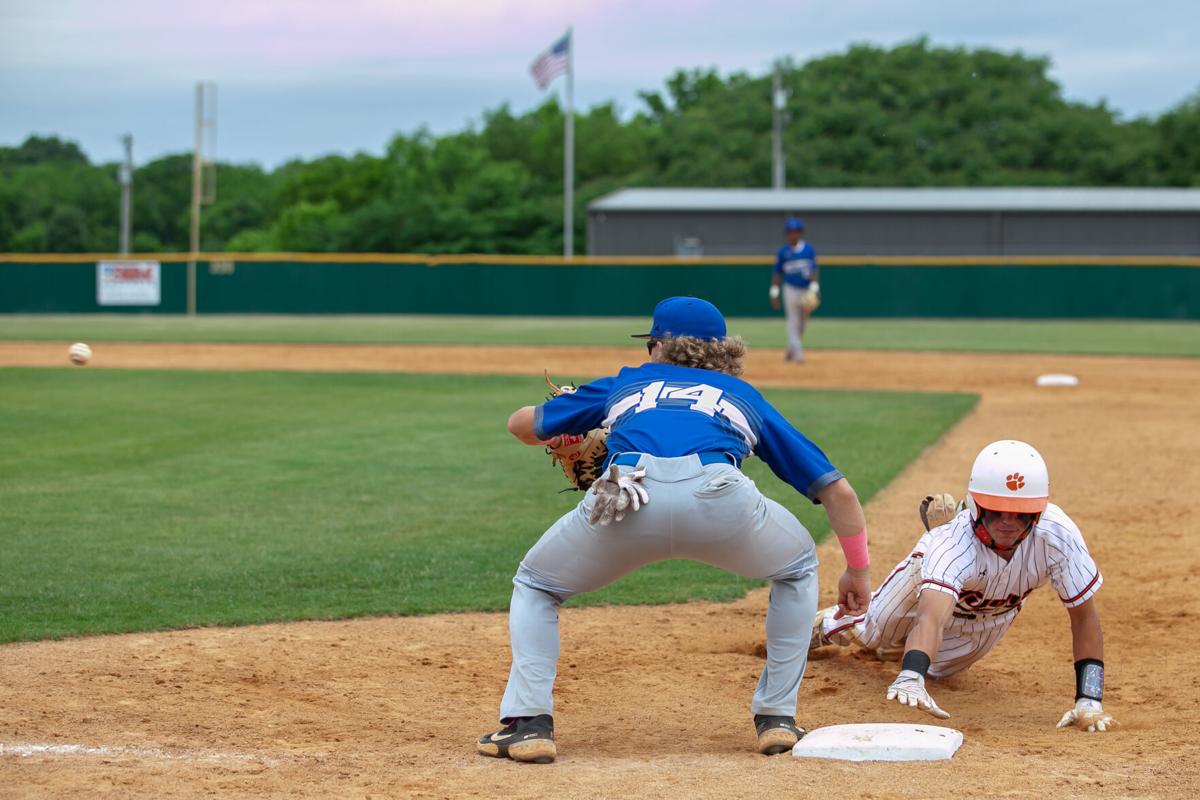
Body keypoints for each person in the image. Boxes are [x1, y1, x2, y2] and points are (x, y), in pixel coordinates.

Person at [477, 296, 873, 763]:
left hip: (625, 493)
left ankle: (528, 725)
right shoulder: (743, 395)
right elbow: (839, 492)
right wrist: (857, 571)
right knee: (797, 567)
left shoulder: (626, 383)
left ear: (659, 346)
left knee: (536, 584)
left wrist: (567, 424)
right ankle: (777, 718)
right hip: (719, 496)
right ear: (724, 353)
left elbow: (520, 425)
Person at [809, 440, 1116, 733]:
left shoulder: (1058, 536)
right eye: (996, 510)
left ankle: (904, 645)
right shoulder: (952, 546)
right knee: (874, 631)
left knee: (939, 670)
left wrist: (1089, 699)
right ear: (975, 506)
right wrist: (911, 676)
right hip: (931, 577)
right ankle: (827, 624)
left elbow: (1084, 617)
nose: (1008, 522)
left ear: (1038, 512)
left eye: (1021, 514)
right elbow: (930, 618)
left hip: (991, 611)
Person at [769, 216, 820, 363]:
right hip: (790, 289)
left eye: (796, 231)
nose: (793, 234)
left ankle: (791, 349)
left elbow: (814, 270)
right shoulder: (783, 252)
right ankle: (799, 355)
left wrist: (815, 288)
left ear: (800, 232)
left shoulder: (808, 250)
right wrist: (774, 292)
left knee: (803, 324)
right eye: (790, 231)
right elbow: (777, 273)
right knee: (793, 321)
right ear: (787, 233)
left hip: (805, 289)